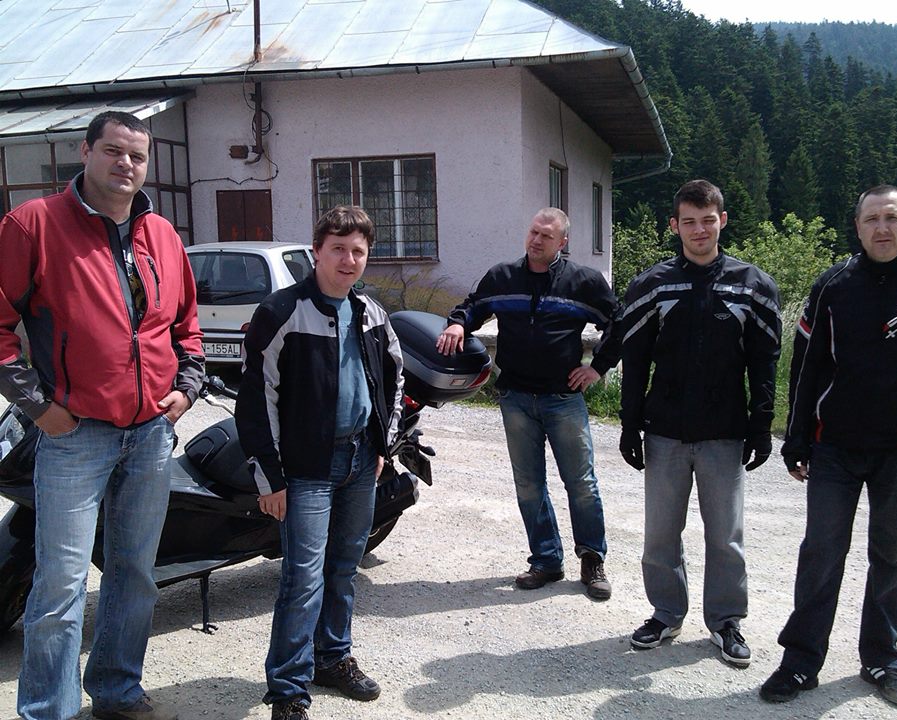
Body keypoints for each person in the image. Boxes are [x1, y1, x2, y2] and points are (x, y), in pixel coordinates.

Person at [0, 112, 204, 720]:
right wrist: (38, 407)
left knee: (135, 572)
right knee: (61, 583)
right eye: (113, 151)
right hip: (74, 436)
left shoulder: (162, 235)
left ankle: (116, 690)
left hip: (150, 434)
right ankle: (49, 710)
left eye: (137, 156)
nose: (126, 165)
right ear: (85, 151)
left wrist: (187, 389)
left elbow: (186, 326)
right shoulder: (33, 224)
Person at [760, 185, 897, 707]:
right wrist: (796, 438)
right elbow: (806, 366)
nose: (882, 228)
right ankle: (800, 662)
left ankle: (882, 660)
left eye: (892, 217)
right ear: (858, 226)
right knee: (821, 555)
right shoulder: (834, 284)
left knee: (890, 558)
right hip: (835, 448)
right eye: (872, 219)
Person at [236, 206, 404, 720]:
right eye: (338, 249)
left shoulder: (371, 313)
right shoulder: (282, 311)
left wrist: (383, 446)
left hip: (360, 461)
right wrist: (269, 477)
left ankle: (332, 658)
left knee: (344, 569)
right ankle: (288, 689)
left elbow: (394, 379)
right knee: (302, 581)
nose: (348, 260)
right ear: (316, 252)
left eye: (358, 251)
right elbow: (255, 398)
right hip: (305, 468)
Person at [618, 179, 781, 667]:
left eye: (708, 220)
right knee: (660, 535)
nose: (699, 230)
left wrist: (761, 424)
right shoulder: (652, 285)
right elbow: (634, 359)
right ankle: (666, 614)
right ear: (675, 225)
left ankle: (726, 621)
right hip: (665, 430)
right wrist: (629, 424)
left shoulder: (753, 285)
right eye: (688, 221)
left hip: (725, 431)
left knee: (725, 535)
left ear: (722, 220)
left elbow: (765, 362)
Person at [436, 207, 619, 600]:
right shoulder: (503, 277)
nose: (537, 240)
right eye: (534, 232)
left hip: (563, 399)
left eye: (546, 236)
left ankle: (592, 560)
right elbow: (473, 306)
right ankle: (546, 560)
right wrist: (457, 323)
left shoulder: (583, 282)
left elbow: (618, 323)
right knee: (529, 484)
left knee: (581, 484)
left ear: (562, 242)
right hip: (516, 398)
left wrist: (597, 367)